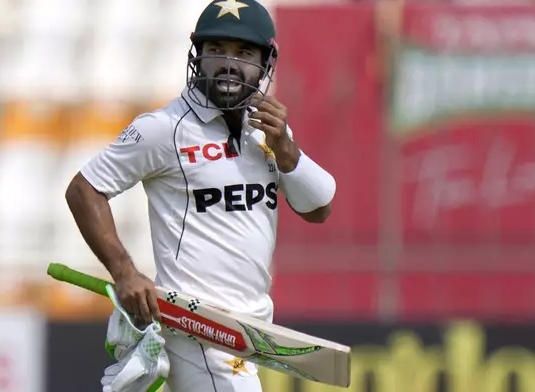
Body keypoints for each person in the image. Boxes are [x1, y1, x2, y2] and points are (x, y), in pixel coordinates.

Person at [65, 0, 336, 391]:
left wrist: (287, 150)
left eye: (244, 52)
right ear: (198, 57)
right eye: (216, 51)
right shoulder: (165, 129)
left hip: (250, 331)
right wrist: (124, 271)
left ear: (265, 63)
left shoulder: (268, 130)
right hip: (198, 328)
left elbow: (320, 209)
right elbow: (84, 188)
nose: (229, 63)